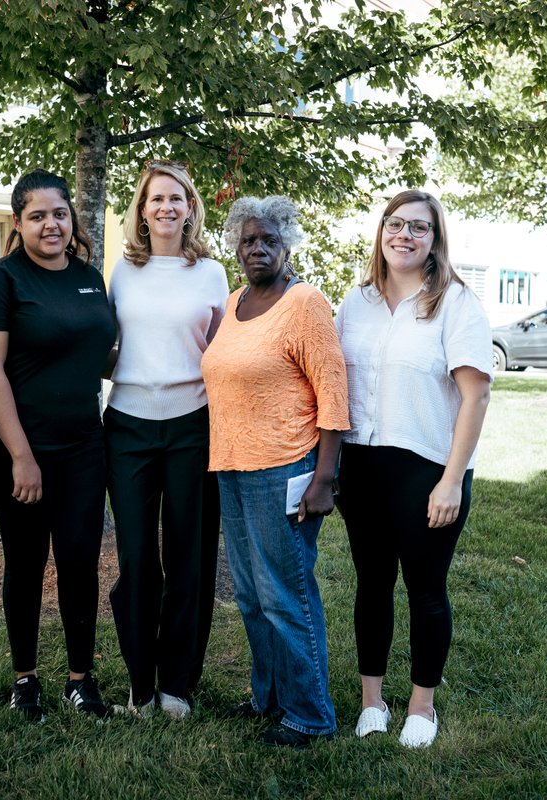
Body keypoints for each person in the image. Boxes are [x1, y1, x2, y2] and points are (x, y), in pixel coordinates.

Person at [335, 190, 492, 748]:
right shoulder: (355, 302)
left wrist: (453, 479)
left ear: (434, 241)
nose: (404, 235)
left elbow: (474, 396)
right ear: (381, 233)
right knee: (371, 586)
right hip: (361, 465)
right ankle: (372, 702)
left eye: (418, 228)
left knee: (426, 589)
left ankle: (421, 708)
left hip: (427, 469)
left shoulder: (456, 304)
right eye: (395, 224)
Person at [200, 196, 350, 749]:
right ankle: (269, 697)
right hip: (232, 468)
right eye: (247, 240)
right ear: (236, 247)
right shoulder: (235, 301)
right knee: (249, 595)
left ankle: (310, 713)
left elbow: (333, 390)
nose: (257, 248)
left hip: (286, 465)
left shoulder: (304, 302)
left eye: (268, 240)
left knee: (286, 595)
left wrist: (324, 478)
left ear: (287, 246)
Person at [0, 168, 117, 722]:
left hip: (84, 445)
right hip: (18, 450)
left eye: (59, 213)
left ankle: (81, 678)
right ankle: (25, 677)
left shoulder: (88, 276)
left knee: (80, 559)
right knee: (26, 560)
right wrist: (22, 457)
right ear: (18, 222)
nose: (51, 225)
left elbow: (97, 353)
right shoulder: (2, 280)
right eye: (38, 216)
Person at [104, 161, 228, 718]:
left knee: (189, 554)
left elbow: (225, 357)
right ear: (141, 209)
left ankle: (177, 681)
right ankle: (138, 681)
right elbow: (109, 347)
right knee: (136, 556)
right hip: (127, 424)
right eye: (155, 199)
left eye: (176, 198)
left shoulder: (212, 274)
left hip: (192, 424)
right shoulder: (122, 272)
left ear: (191, 208)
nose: (166, 208)